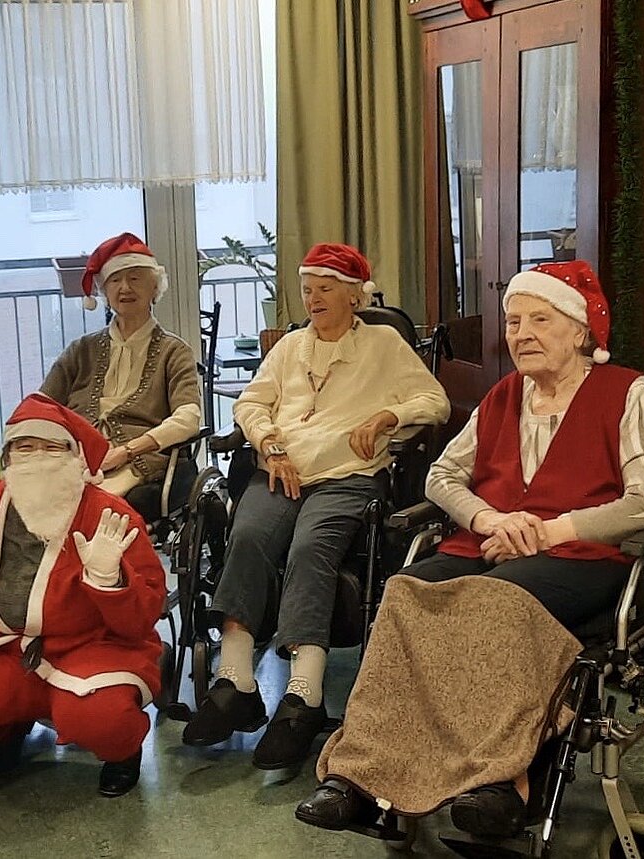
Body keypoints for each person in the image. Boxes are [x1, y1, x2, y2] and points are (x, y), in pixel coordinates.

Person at [295, 260, 644, 838]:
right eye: (514, 320)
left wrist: (550, 531)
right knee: (406, 591)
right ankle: (362, 776)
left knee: (492, 600)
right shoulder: (503, 395)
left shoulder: (625, 391)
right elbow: (441, 476)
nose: (521, 333)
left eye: (540, 319)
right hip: (488, 543)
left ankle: (503, 781)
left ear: (579, 330)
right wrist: (490, 517)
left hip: (584, 557)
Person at [181, 243, 450, 770]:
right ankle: (234, 679)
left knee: (309, 548)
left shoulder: (384, 345)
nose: (313, 299)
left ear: (355, 295)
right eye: (307, 290)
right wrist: (268, 443)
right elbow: (252, 403)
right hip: (280, 468)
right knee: (249, 536)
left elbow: (434, 401)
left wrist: (388, 416)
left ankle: (303, 696)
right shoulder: (288, 348)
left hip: (348, 476)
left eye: (325, 289)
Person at [0, 393, 166, 797]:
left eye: (52, 446)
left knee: (103, 720)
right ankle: (11, 719)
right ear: (7, 457)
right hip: (8, 646)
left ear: (76, 457)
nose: (38, 457)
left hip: (96, 647)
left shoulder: (110, 515)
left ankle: (122, 752)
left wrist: (109, 579)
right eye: (24, 446)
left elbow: (142, 619)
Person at [41, 232, 202, 497]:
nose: (125, 288)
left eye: (135, 278)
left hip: (136, 462)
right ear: (104, 291)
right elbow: (43, 406)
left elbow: (188, 418)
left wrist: (128, 450)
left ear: (155, 288)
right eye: (115, 280)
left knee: (88, 503)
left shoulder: (174, 351)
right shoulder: (81, 350)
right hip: (74, 458)